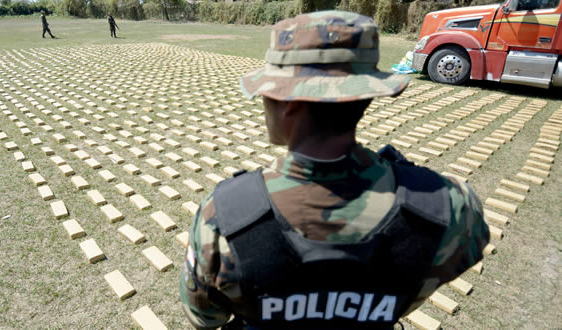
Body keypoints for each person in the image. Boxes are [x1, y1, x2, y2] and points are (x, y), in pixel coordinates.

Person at [179, 10, 490, 330]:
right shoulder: (446, 206)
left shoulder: (223, 216)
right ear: (367, 96)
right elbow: (470, 244)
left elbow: (204, 317)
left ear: (291, 105)